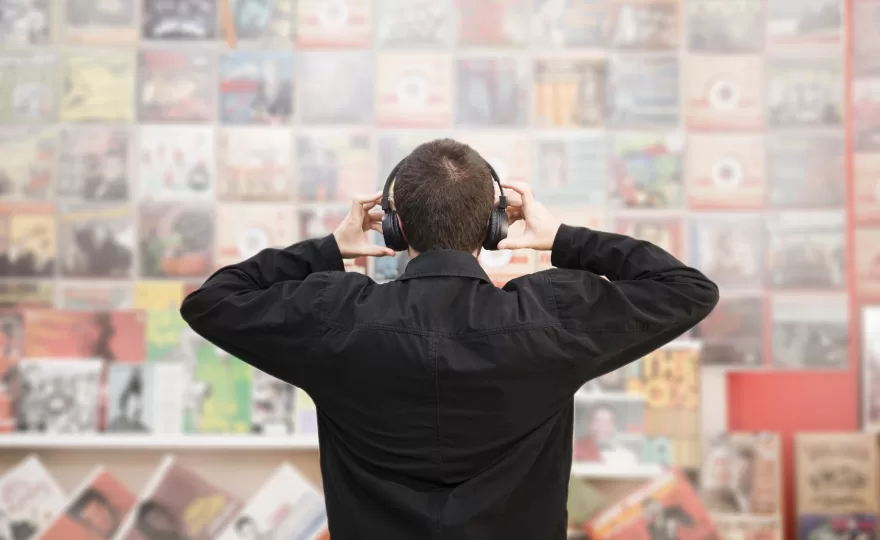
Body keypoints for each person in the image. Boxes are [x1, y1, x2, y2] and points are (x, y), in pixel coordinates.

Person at [180, 139, 719, 539]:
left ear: (395, 230)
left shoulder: (335, 314)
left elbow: (211, 301)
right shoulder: (550, 316)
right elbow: (686, 289)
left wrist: (329, 248)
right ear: (491, 229)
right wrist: (564, 239)